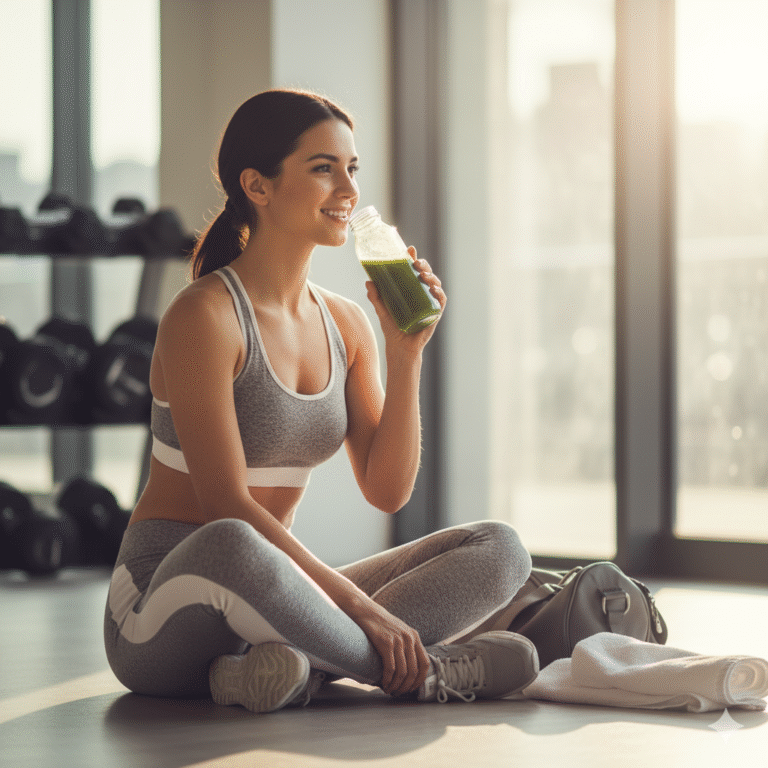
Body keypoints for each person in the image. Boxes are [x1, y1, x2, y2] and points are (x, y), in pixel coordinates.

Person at [103, 88, 537, 714]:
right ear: (258, 185)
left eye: (351, 169)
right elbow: (223, 501)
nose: (349, 190)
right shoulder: (206, 315)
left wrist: (405, 351)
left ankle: (282, 670)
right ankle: (426, 671)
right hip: (160, 608)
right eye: (323, 168)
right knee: (233, 539)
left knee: (501, 549)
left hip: (278, 597)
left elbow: (387, 490)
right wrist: (362, 610)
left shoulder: (347, 324)